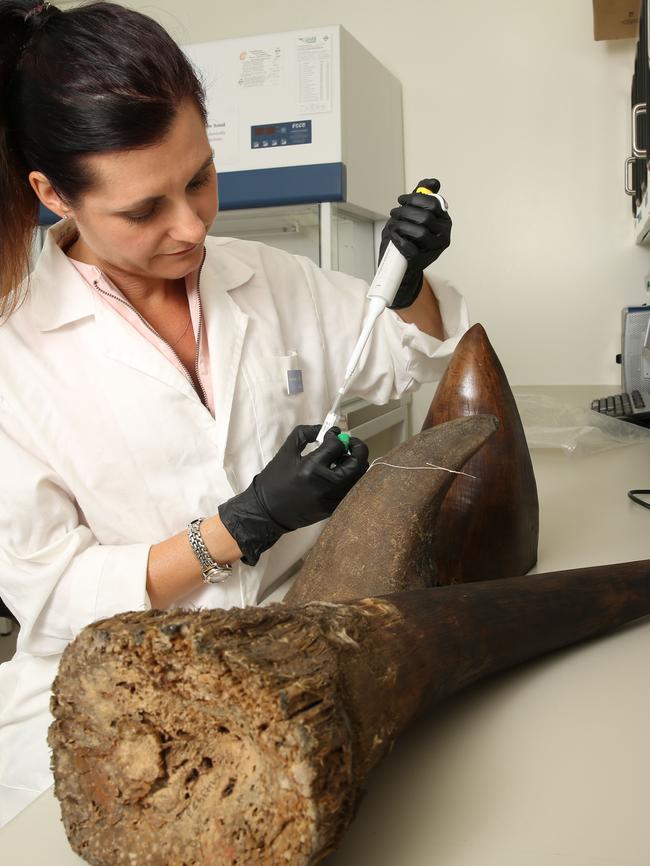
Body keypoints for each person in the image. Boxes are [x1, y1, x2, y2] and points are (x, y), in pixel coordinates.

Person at [0, 0, 468, 827]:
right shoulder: (14, 345)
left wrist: (410, 276)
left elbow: (407, 359)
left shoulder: (265, 277)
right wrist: (243, 524)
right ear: (52, 194)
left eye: (200, 178)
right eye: (144, 210)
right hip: (103, 691)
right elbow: (49, 592)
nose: (191, 226)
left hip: (293, 654)